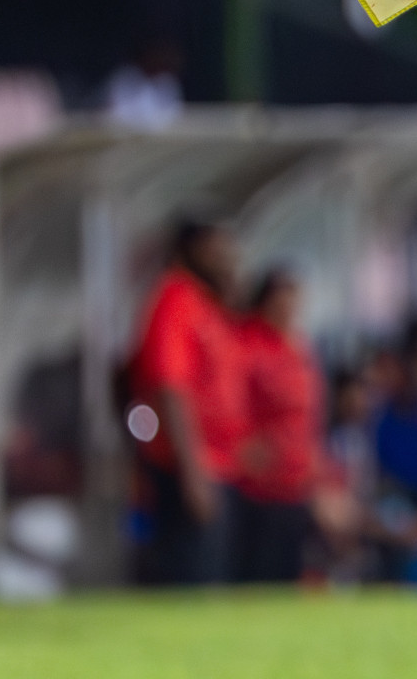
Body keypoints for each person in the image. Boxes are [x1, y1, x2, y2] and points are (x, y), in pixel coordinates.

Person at [127, 220, 247, 585]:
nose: (224, 257)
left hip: (215, 463)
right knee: (191, 578)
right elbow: (170, 387)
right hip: (187, 465)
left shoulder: (205, 302)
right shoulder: (175, 298)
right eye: (215, 249)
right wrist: (193, 472)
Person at [233, 268, 323, 583]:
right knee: (260, 574)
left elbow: (310, 414)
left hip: (297, 480)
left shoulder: (299, 347)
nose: (289, 309)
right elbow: (230, 401)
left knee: (290, 572)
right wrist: (244, 445)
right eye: (282, 301)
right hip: (259, 484)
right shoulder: (247, 344)